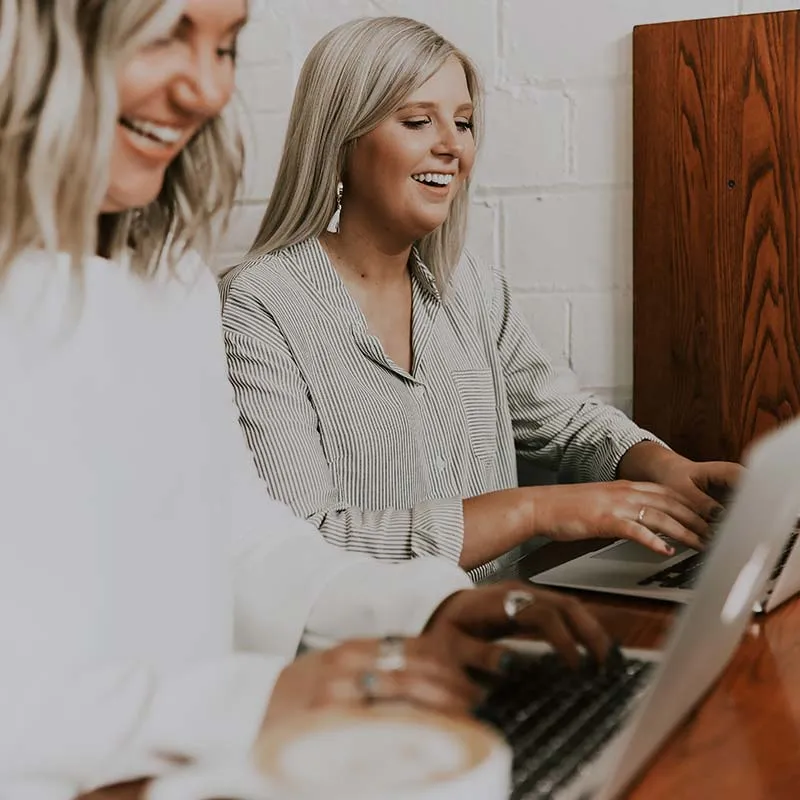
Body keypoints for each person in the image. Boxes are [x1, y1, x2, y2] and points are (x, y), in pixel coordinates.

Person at [0, 2, 613, 797]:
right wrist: (252, 702)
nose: (207, 90)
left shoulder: (170, 282)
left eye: (224, 46)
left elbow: (246, 538)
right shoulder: (249, 301)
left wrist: (425, 609)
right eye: (163, 36)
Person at [219, 15, 742, 581]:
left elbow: (562, 422)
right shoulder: (258, 305)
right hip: (373, 653)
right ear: (341, 142)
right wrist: (535, 510)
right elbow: (308, 543)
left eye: (464, 123)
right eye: (418, 121)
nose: (452, 146)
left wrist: (666, 468)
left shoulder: (472, 289)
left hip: (506, 623)